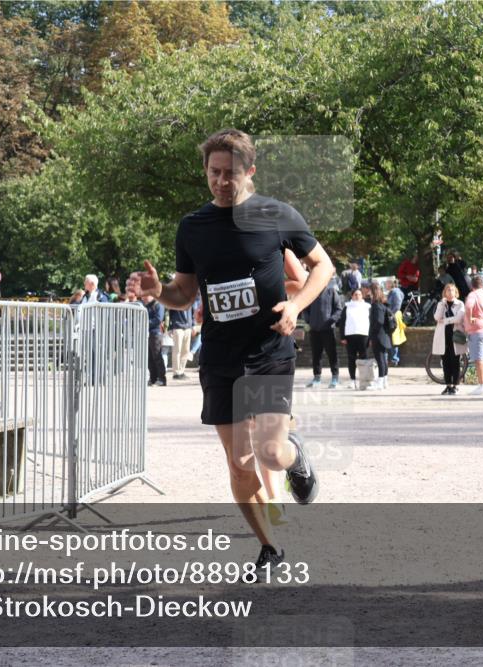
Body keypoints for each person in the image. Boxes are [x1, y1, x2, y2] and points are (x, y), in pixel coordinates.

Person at [126, 128, 332, 568]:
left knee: (270, 453)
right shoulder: (192, 227)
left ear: (249, 171)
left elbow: (323, 267)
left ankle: (296, 458)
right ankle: (270, 547)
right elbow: (183, 294)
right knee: (239, 463)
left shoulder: (276, 215)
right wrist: (157, 291)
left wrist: (296, 305)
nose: (221, 181)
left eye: (230, 173)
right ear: (205, 172)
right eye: (214, 172)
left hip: (268, 350)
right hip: (221, 358)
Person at [303, 280, 342, 388]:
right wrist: (309, 321)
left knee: (332, 354)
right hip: (314, 329)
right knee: (316, 354)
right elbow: (305, 309)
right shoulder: (311, 293)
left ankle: (335, 377)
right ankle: (317, 377)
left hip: (328, 329)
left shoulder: (332, 291)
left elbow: (339, 309)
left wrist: (331, 320)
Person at [431, 283, 466, 395]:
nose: (450, 292)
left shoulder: (460, 304)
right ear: (444, 293)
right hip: (443, 336)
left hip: (455, 336)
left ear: (455, 292)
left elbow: (458, 319)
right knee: (445, 362)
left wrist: (445, 320)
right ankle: (448, 385)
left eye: (452, 290)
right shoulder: (442, 304)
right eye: (447, 290)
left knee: (455, 361)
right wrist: (442, 305)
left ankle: (455, 385)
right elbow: (436, 317)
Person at [338, 288, 371, 389]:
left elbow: (371, 323)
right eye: (355, 294)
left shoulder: (367, 307)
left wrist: (371, 338)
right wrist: (342, 336)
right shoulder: (347, 307)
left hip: (364, 335)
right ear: (352, 296)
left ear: (362, 296)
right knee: (351, 358)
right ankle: (352, 380)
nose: (357, 296)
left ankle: (364, 380)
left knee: (364, 359)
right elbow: (342, 323)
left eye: (359, 294)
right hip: (350, 336)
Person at [367, 281, 392, 390]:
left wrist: (372, 334)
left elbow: (378, 321)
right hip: (384, 335)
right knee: (383, 359)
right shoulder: (383, 304)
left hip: (378, 336)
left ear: (372, 292)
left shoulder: (376, 305)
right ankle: (384, 381)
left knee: (380, 359)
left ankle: (380, 382)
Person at [143, 294, 166, 386]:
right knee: (149, 357)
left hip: (156, 333)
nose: (144, 297)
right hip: (148, 333)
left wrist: (144, 323)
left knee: (157, 356)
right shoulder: (146, 305)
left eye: (146, 295)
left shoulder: (158, 304)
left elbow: (158, 319)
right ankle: (153, 378)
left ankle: (161, 378)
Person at [167, 302, 194, 380]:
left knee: (186, 351)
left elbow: (192, 313)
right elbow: (170, 313)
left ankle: (181, 371)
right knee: (177, 351)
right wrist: (170, 327)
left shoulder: (190, 300)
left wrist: (192, 325)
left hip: (188, 327)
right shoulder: (176, 299)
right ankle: (176, 373)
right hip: (177, 326)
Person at [385, 279, 404, 365]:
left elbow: (397, 305)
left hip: (394, 318)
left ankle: (394, 359)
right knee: (391, 338)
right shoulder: (392, 292)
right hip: (392, 317)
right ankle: (393, 359)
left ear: (390, 284)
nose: (385, 285)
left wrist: (390, 314)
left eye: (386, 283)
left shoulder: (395, 292)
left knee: (394, 339)